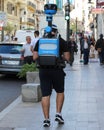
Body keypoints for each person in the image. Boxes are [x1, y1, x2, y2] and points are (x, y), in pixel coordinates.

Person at [33, 25, 70, 127]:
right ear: (56, 31)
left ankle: (46, 119)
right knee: (60, 91)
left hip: (44, 71)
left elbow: (35, 56)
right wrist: (61, 56)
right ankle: (58, 113)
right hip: (57, 70)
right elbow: (67, 57)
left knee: (45, 95)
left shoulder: (40, 41)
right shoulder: (61, 41)